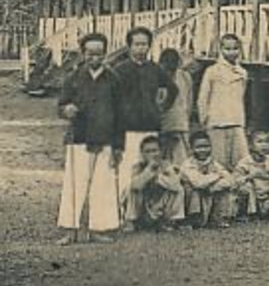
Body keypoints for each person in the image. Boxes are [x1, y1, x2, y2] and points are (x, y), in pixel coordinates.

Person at [56, 32, 122, 244]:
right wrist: (67, 109)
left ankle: (98, 228)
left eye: (99, 54)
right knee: (74, 185)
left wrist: (119, 145)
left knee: (102, 185)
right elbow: (61, 105)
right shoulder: (73, 77)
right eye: (90, 53)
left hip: (105, 138)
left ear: (105, 54)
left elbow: (121, 115)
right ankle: (70, 229)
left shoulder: (113, 79)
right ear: (83, 53)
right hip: (79, 137)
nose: (95, 58)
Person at [113, 27, 171, 220]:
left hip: (150, 126)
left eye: (144, 44)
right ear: (129, 46)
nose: (141, 48)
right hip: (127, 128)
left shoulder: (155, 69)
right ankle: (123, 211)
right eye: (137, 44)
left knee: (151, 169)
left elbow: (170, 89)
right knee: (128, 169)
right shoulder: (120, 70)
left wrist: (161, 104)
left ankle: (148, 213)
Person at [197, 33, 250, 171]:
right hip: (217, 121)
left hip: (236, 121)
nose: (232, 52)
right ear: (221, 50)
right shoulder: (212, 71)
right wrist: (203, 119)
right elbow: (203, 97)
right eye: (227, 49)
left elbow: (241, 96)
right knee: (218, 163)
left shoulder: (242, 73)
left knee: (241, 161)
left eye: (235, 48)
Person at [179, 129, 239, 228]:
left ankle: (218, 218)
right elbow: (198, 183)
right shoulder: (187, 164)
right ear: (191, 149)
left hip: (208, 194)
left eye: (206, 146)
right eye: (199, 147)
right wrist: (217, 176)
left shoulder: (214, 163)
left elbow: (230, 180)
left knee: (224, 189)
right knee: (193, 190)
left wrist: (212, 187)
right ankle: (192, 220)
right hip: (192, 201)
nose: (203, 150)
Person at [126, 134, 183, 231]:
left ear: (160, 151)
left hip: (160, 206)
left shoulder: (167, 165)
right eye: (148, 151)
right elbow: (136, 186)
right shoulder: (138, 167)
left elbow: (176, 186)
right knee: (131, 187)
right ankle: (131, 222)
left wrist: (159, 178)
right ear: (142, 154)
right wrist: (149, 170)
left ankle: (169, 221)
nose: (152, 154)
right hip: (144, 208)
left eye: (155, 150)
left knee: (178, 190)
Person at [156, 48, 193, 165]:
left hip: (180, 124)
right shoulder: (155, 76)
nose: (170, 71)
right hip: (161, 125)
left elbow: (189, 100)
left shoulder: (185, 77)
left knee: (181, 160)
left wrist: (185, 118)